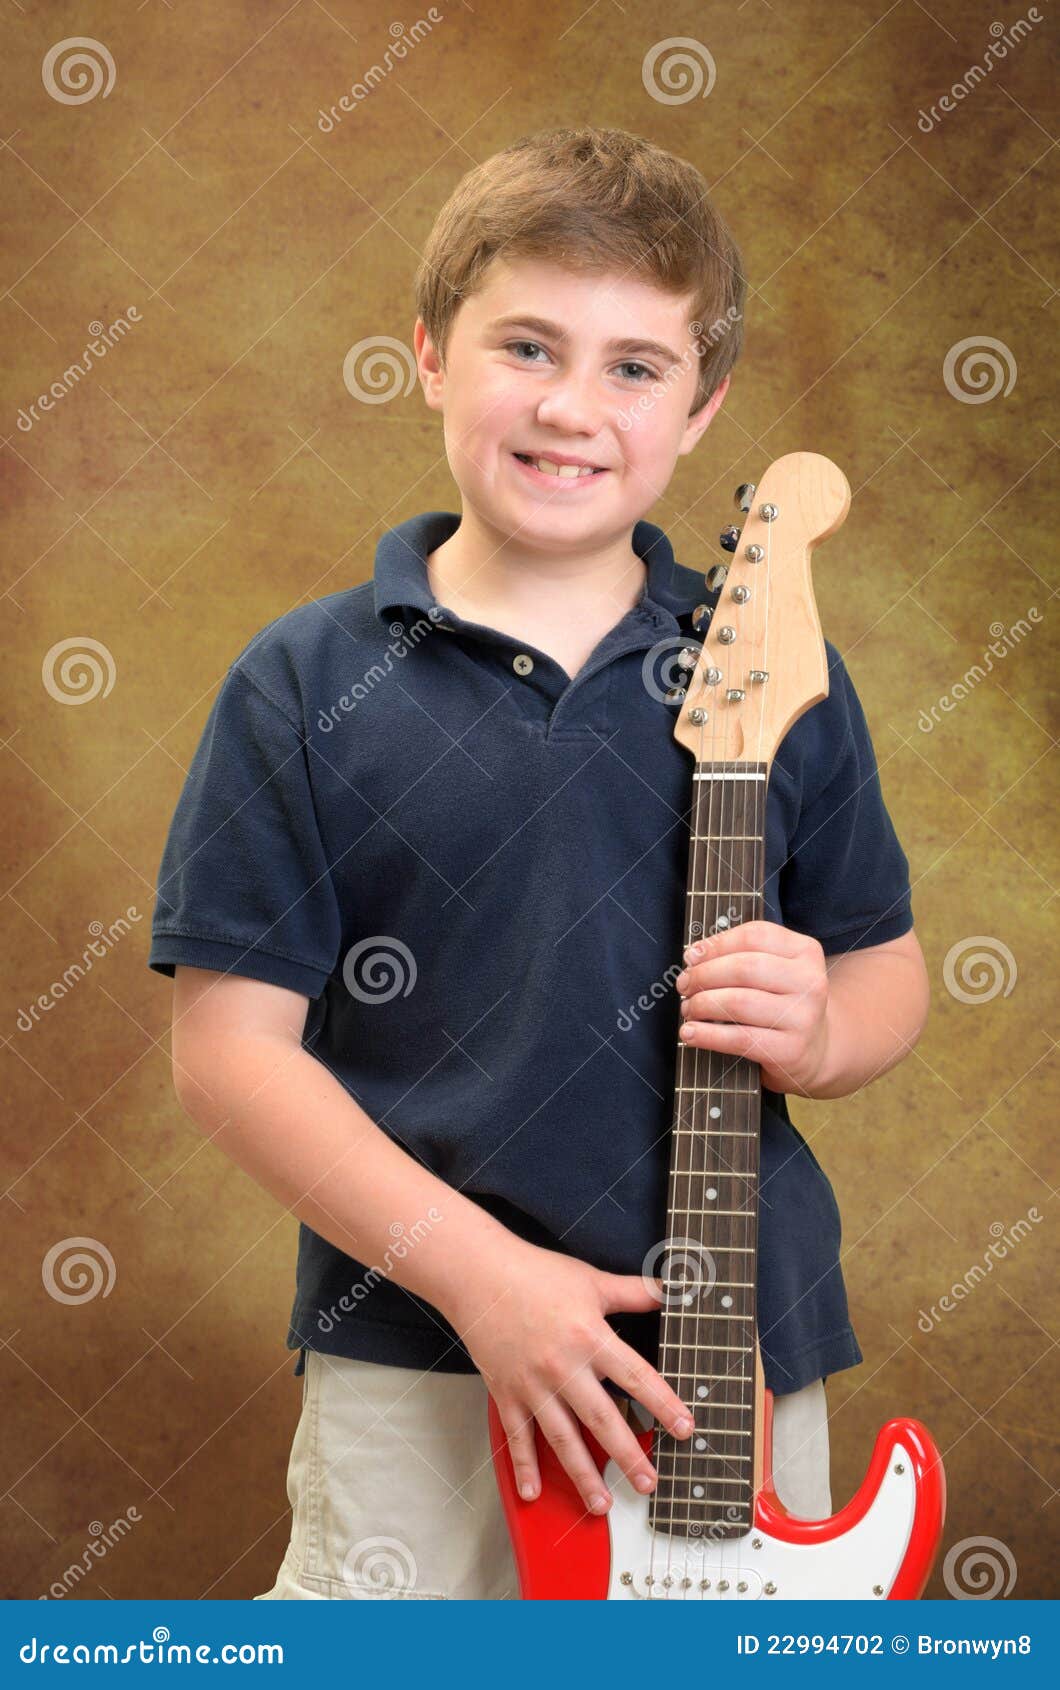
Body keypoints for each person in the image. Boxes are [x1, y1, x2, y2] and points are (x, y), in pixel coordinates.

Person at [148, 127, 929, 1600]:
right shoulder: (303, 680)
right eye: (528, 345)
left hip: (731, 1356)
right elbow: (229, 1056)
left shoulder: (773, 667)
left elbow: (884, 969)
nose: (576, 406)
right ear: (433, 354)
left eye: (637, 365)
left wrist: (822, 1026)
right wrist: (479, 1275)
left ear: (702, 410)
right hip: (418, 1345)